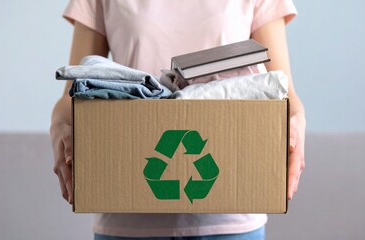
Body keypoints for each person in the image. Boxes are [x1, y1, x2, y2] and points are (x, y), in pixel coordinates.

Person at [50, 0, 306, 239]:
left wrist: (295, 121)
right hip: (126, 217)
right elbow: (75, 91)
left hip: (232, 219)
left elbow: (283, 90)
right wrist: (60, 125)